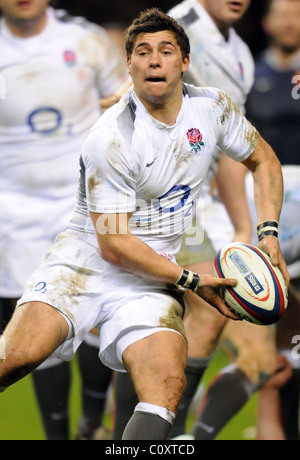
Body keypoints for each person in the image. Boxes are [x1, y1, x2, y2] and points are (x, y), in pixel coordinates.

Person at [0, 8, 289, 441]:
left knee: (165, 388)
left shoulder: (213, 109)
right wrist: (193, 280)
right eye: (143, 52)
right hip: (83, 265)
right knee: (17, 358)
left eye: (166, 51)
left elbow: (263, 159)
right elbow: (115, 245)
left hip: (150, 277)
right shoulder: (112, 136)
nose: (155, 60)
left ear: (184, 63)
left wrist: (267, 233)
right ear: (129, 65)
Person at [0, 0, 129, 440]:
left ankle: (91, 423)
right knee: (38, 335)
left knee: (98, 320)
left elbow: (128, 103)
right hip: (13, 215)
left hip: (85, 204)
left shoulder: (86, 40)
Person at [245, 0, 300, 440]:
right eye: (281, 12)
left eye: (297, 11)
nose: (289, 20)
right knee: (272, 315)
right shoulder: (246, 74)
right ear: (265, 22)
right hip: (265, 207)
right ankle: (271, 424)